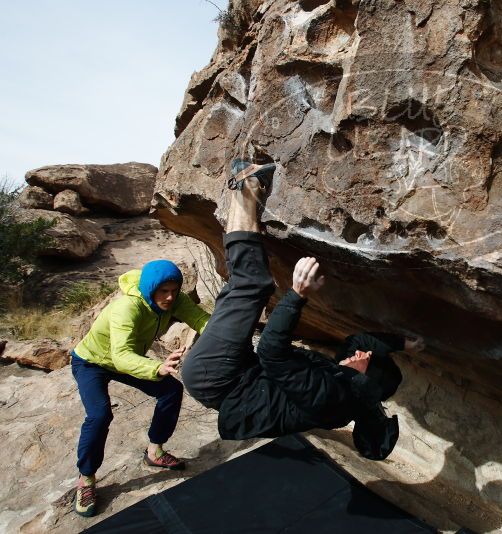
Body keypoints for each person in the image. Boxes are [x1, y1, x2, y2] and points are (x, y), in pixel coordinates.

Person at [182, 162, 425, 460]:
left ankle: (247, 186)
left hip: (216, 377)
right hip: (240, 373)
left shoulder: (330, 399)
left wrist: (297, 294)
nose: (360, 354)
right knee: (241, 289)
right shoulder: (351, 383)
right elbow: (359, 343)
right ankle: (242, 188)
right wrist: (403, 343)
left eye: (366, 361)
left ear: (365, 377)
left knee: (253, 285)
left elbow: (272, 350)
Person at [70, 260, 210, 517]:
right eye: (163, 291)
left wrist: (224, 334)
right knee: (100, 414)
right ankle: (86, 479)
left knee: (171, 391)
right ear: (150, 289)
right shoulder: (128, 307)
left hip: (126, 359)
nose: (169, 297)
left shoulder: (174, 299)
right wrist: (156, 368)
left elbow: (200, 319)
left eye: (174, 290)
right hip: (92, 362)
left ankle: (155, 451)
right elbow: (121, 356)